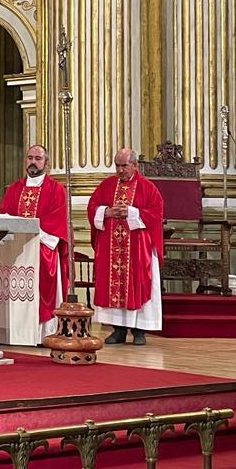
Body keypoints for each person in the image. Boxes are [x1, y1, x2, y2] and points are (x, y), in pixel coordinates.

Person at [86, 148, 164, 346]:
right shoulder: (107, 185)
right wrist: (107, 211)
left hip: (138, 248)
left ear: (135, 166)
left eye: (124, 166)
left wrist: (131, 212)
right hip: (111, 246)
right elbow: (92, 206)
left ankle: (139, 331)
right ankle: (118, 330)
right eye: (117, 166)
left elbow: (156, 213)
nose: (120, 170)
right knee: (113, 285)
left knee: (137, 284)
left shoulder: (147, 187)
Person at [0, 144, 69, 336]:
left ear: (46, 162)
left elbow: (57, 221)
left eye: (38, 159)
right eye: (30, 158)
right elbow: (5, 214)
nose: (33, 162)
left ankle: (41, 333)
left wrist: (31, 233)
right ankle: (14, 330)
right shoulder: (14, 189)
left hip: (42, 247)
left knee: (42, 278)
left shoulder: (56, 190)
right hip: (16, 248)